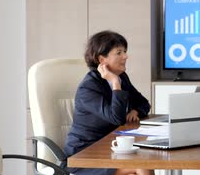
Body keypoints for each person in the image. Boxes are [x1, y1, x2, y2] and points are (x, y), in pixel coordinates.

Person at [64, 30, 154, 175]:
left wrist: (135, 111)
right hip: (84, 155)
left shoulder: (122, 77)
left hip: (111, 148)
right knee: (142, 166)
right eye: (119, 52)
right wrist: (114, 83)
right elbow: (116, 118)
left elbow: (144, 103)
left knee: (144, 162)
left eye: (124, 51)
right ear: (102, 60)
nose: (126, 56)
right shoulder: (89, 87)